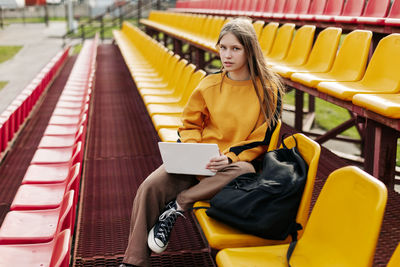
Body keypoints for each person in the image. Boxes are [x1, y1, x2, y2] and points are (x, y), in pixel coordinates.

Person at [120, 17, 285, 267]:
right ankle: (134, 261)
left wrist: (228, 157)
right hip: (200, 161)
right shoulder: (208, 84)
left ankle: (179, 204)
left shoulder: (268, 90)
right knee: (150, 187)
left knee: (242, 169)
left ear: (250, 49)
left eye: (235, 48)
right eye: (223, 47)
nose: (226, 55)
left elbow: (261, 138)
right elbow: (189, 124)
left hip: (234, 167)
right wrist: (194, 150)